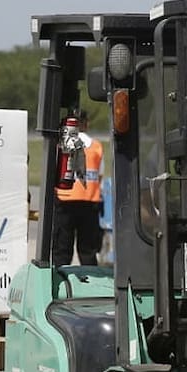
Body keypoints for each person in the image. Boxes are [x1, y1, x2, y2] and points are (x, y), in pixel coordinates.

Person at [53, 109, 104, 267]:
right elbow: (100, 175)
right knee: (88, 251)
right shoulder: (96, 146)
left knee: (62, 250)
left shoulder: (62, 144)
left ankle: (61, 276)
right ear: (86, 124)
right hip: (89, 202)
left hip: (64, 200)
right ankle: (90, 279)